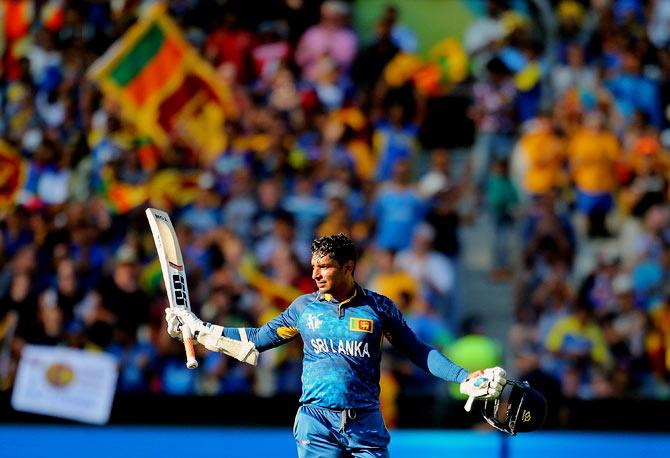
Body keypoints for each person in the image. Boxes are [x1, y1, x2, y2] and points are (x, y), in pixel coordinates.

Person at [165, 233, 506, 457]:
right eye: (313, 266)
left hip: (365, 424)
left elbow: (417, 350)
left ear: (348, 267)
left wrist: (462, 377)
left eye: (324, 267)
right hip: (317, 422)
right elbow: (257, 340)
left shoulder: (379, 308)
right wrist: (199, 330)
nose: (315, 274)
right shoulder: (303, 308)